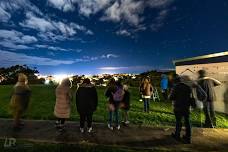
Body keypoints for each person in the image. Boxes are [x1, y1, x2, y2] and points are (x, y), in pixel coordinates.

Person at [169, 75, 194, 144]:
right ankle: (188, 137)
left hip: (178, 107)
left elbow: (171, 97)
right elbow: (191, 97)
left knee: (178, 122)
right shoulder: (189, 87)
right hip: (187, 108)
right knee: (187, 122)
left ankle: (177, 135)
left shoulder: (176, 87)